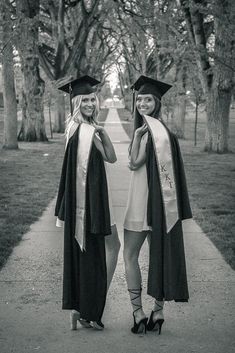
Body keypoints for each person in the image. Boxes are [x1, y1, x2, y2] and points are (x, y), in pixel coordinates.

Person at [123, 75, 192, 334]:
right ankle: (158, 311)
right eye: (139, 99)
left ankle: (138, 312)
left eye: (147, 99)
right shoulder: (165, 133)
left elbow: (134, 163)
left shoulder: (152, 132)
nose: (142, 103)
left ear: (157, 102)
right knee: (157, 255)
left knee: (129, 256)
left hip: (142, 203)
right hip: (160, 207)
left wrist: (139, 137)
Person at [55, 75, 120, 331]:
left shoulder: (76, 128)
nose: (91, 104)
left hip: (90, 198)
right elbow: (107, 162)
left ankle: (78, 306)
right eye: (85, 100)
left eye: (93, 99)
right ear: (76, 102)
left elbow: (110, 158)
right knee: (99, 251)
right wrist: (97, 132)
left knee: (92, 251)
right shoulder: (84, 131)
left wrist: (102, 132)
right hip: (93, 202)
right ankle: (88, 308)